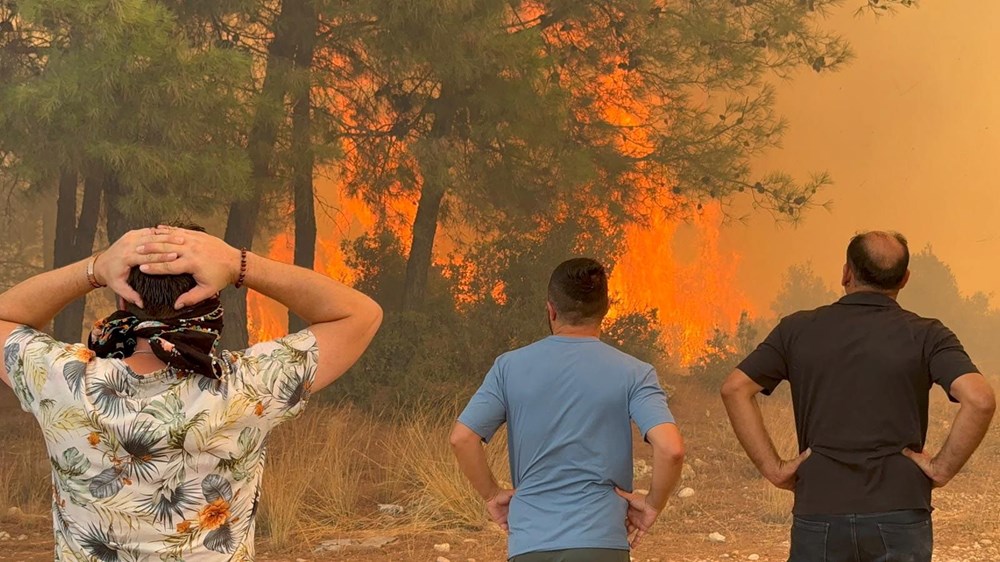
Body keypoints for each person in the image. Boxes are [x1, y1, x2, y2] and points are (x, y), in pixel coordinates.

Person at [0, 225, 382, 560]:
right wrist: (239, 263)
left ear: (122, 300)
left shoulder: (61, 379)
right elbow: (360, 314)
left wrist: (95, 268)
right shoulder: (247, 385)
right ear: (210, 300)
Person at [721, 231, 996, 562]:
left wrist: (775, 469)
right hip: (900, 509)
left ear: (846, 273)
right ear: (904, 279)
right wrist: (941, 469)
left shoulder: (797, 329)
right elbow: (980, 399)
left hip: (820, 506)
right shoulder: (927, 334)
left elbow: (735, 388)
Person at [450, 257, 685, 562]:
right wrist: (652, 505)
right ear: (605, 310)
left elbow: (462, 438)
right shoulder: (634, 372)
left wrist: (493, 495)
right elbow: (671, 449)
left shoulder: (509, 367)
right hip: (602, 543)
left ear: (551, 310)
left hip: (530, 545)